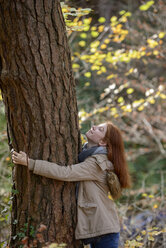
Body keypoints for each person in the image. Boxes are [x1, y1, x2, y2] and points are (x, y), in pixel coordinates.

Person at [12, 122, 131, 248]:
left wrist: (30, 163)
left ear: (102, 142)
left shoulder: (96, 163)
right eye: (97, 126)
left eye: (100, 130)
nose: (94, 127)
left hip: (105, 232)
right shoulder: (87, 155)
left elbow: (65, 173)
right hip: (103, 228)